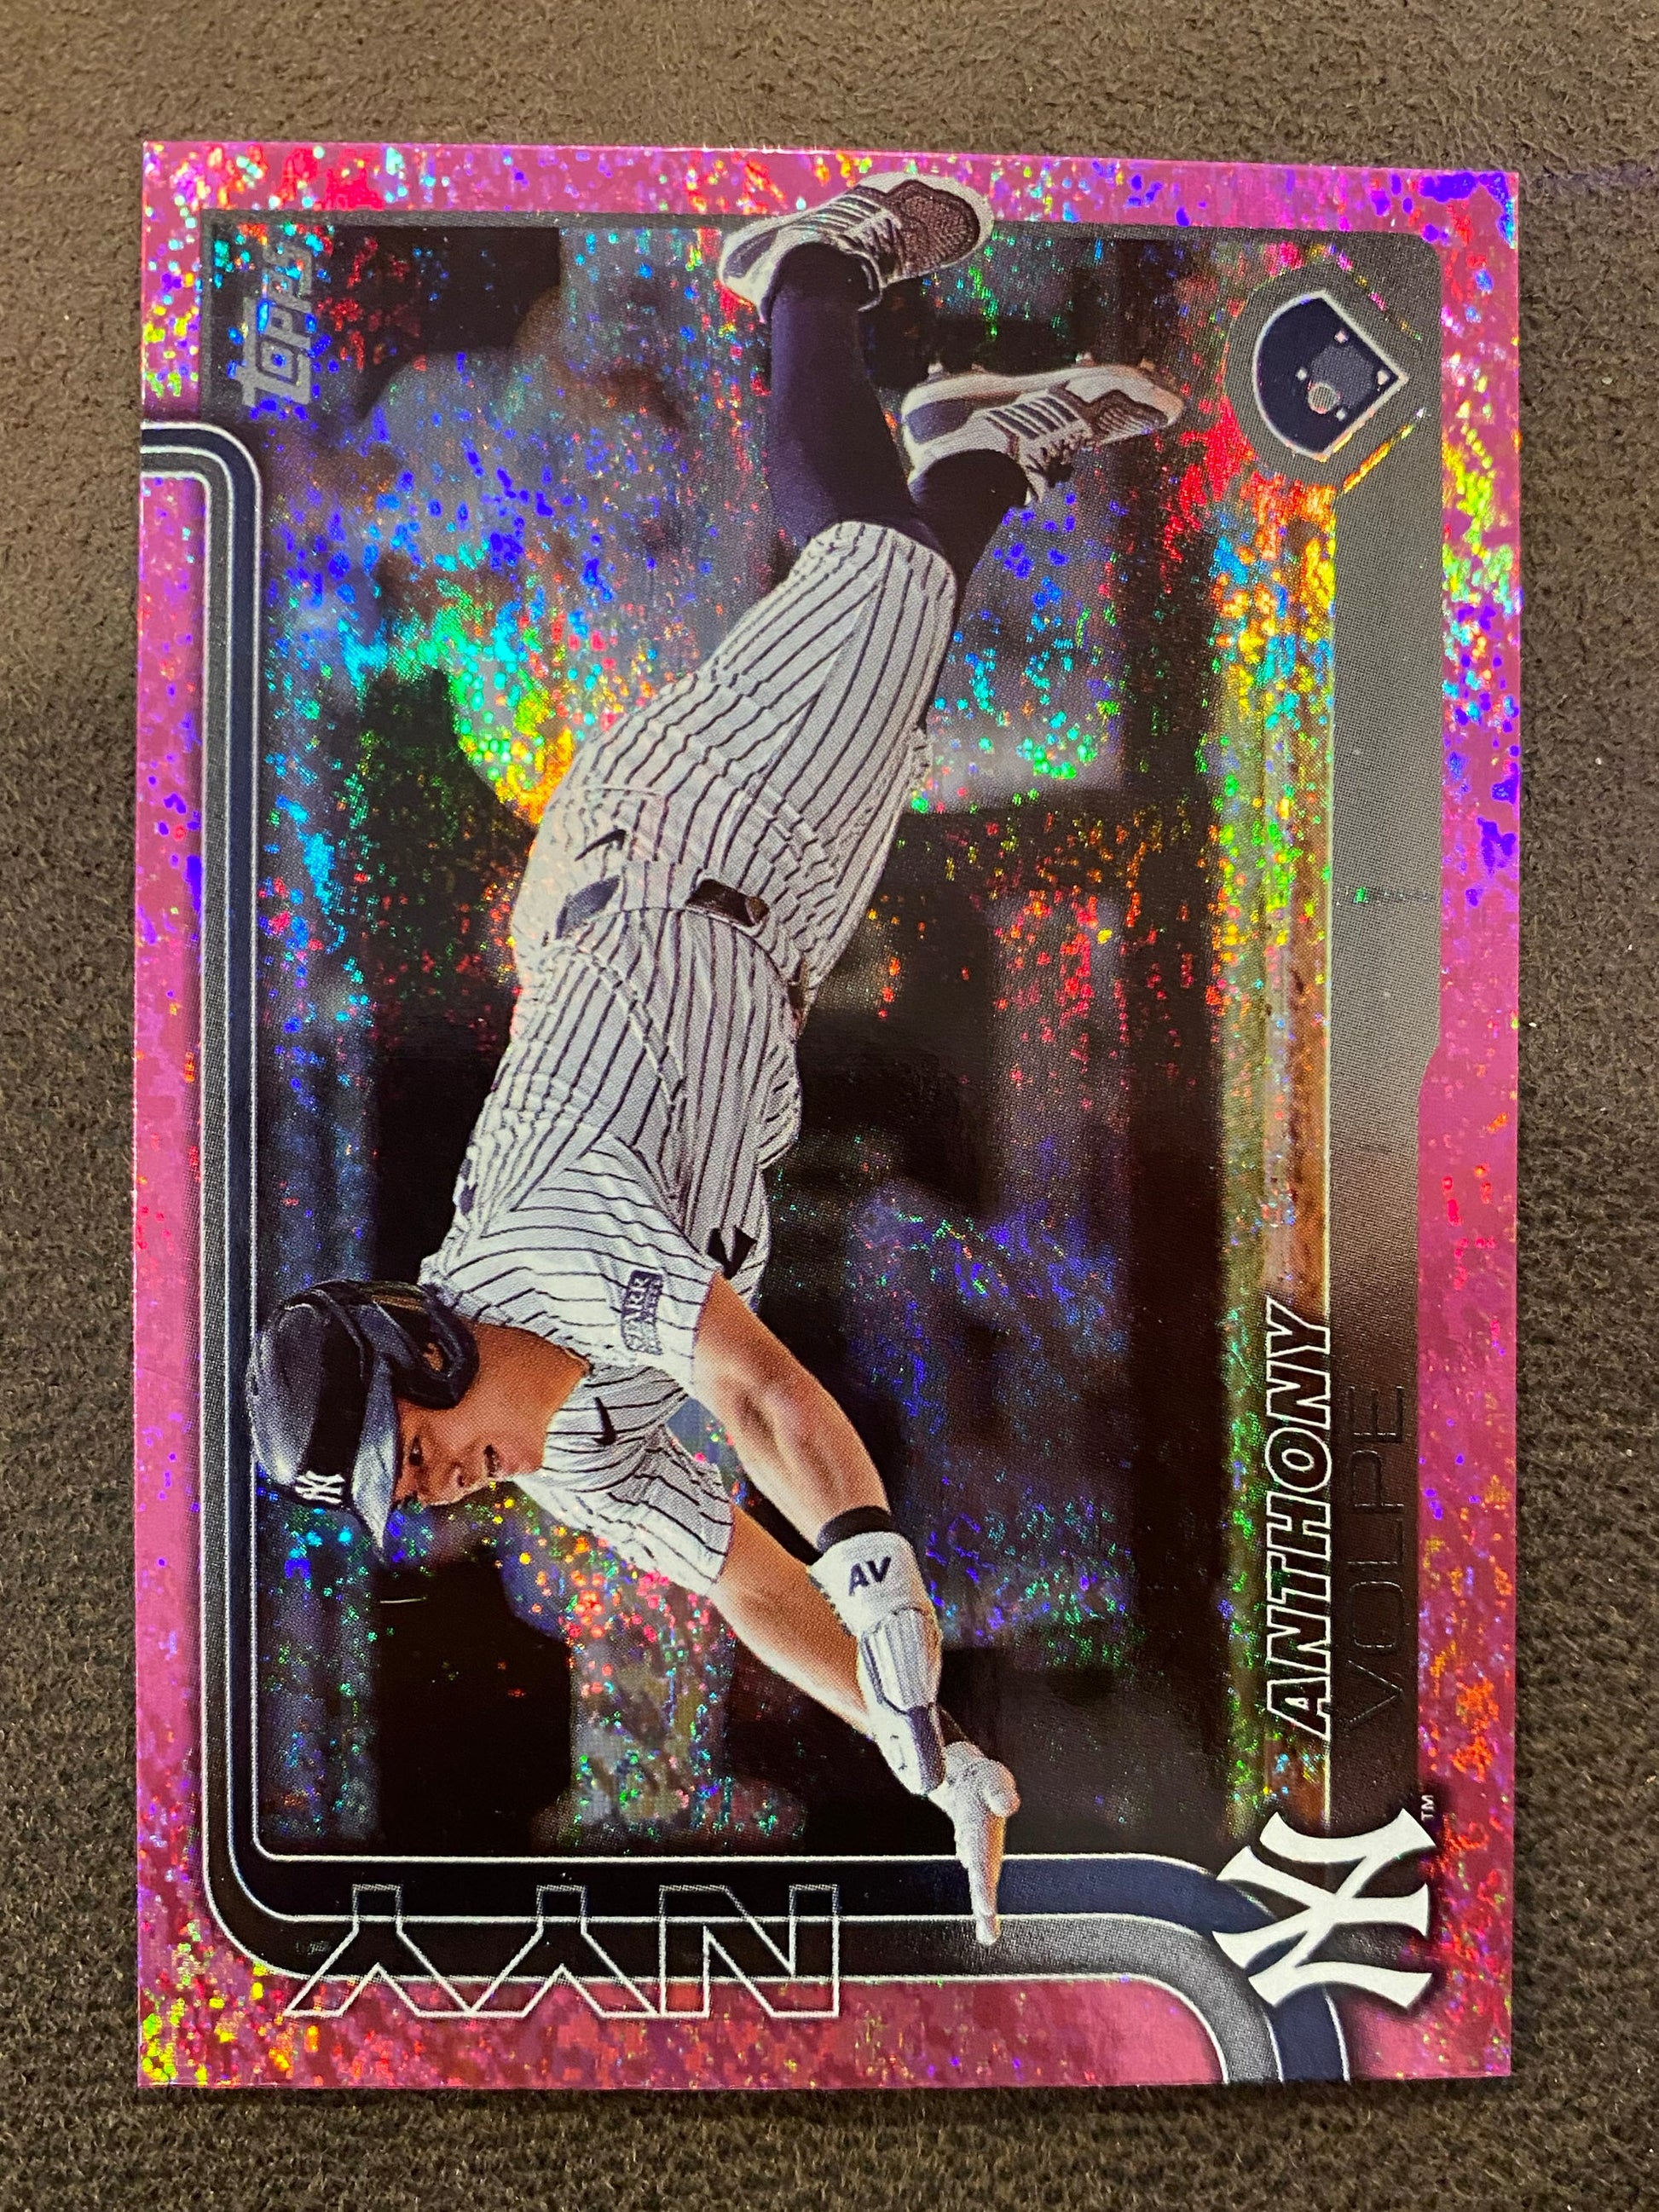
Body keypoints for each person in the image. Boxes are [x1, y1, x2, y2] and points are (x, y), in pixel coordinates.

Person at [247, 170, 1182, 1944]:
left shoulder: (544, 1249)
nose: (427, 1488)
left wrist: (885, 1581)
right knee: (892, 632)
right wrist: (923, 1749)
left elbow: (761, 1400)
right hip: (754, 929)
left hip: (679, 843)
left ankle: (808, 273)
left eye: (407, 1445)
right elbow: (750, 1585)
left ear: (419, 1344)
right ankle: (976, 448)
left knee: (868, 573)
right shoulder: (571, 1450)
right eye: (401, 1491)